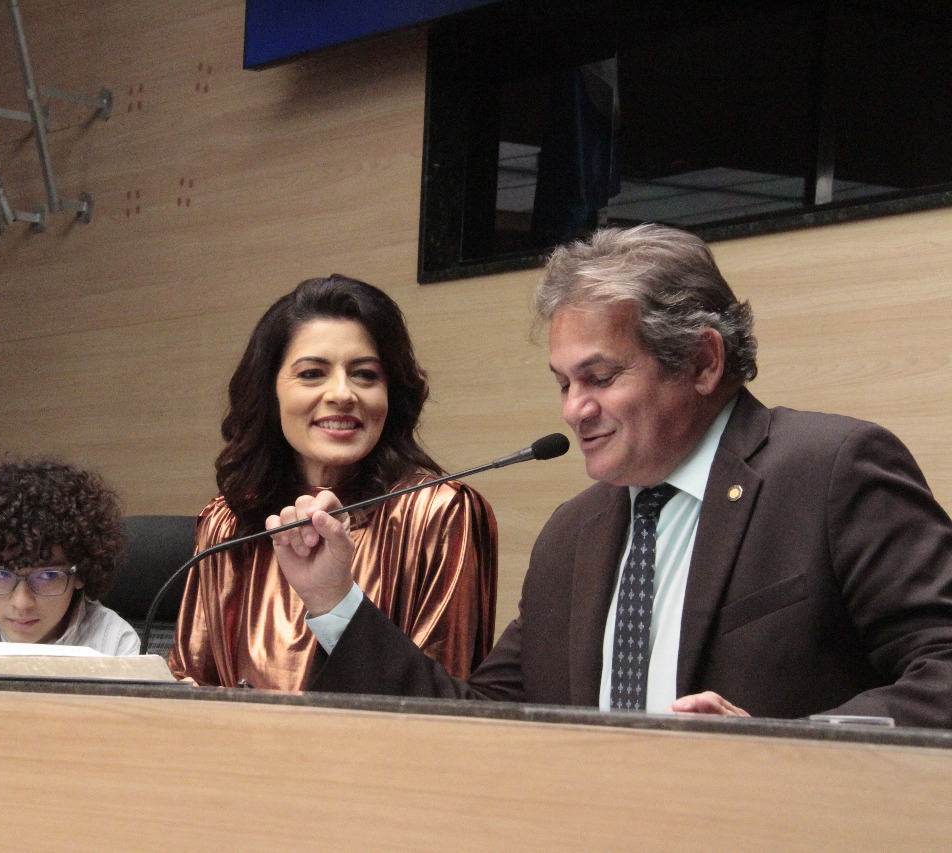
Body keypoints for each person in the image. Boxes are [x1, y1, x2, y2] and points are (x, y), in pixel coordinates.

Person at [269, 225, 952, 729]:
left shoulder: (830, 471)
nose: (574, 409)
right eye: (564, 383)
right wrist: (333, 599)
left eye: (599, 377)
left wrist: (791, 748)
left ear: (702, 362)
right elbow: (478, 722)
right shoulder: (573, 533)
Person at [169, 274, 498, 689]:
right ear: (269, 393)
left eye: (365, 375)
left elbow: (441, 701)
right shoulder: (227, 521)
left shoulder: (438, 511)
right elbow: (186, 685)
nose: (342, 394)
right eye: (312, 374)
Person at [0, 459, 140, 654]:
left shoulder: (114, 641)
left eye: (47, 576)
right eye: (1, 574)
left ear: (81, 573)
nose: (22, 603)